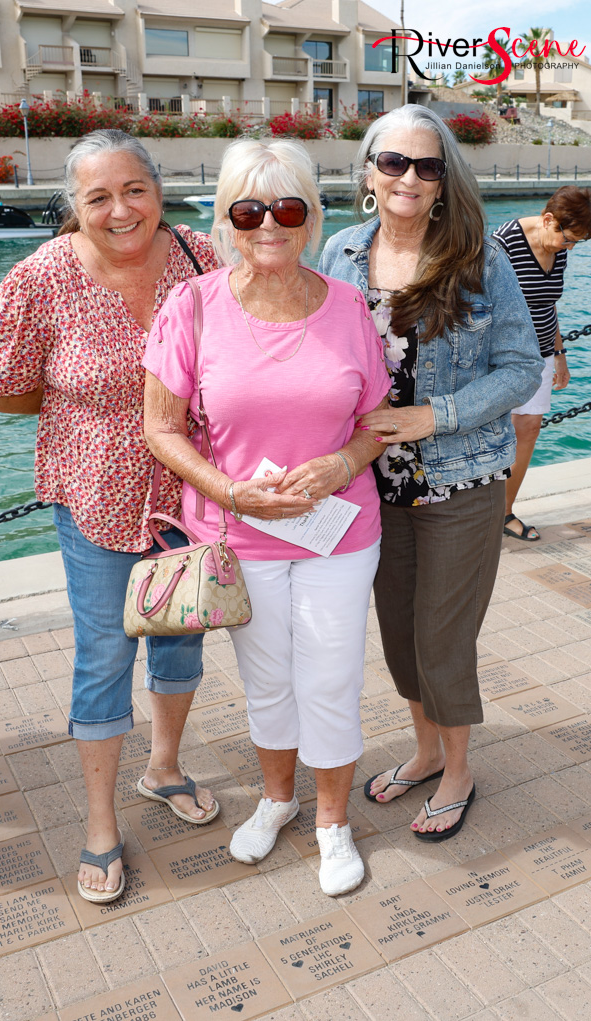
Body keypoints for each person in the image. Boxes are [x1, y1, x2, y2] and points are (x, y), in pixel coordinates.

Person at [0, 129, 219, 905]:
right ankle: (101, 821)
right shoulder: (39, 278)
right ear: (73, 206)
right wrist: (86, 406)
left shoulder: (199, 255)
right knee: (104, 654)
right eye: (97, 196)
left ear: (157, 188)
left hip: (188, 494)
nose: (119, 210)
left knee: (180, 636)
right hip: (97, 497)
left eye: (133, 189)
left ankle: (163, 766)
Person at [144, 139, 391, 896]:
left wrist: (342, 465)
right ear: (224, 219)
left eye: (287, 208)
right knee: (267, 681)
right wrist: (228, 490)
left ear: (312, 217)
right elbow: (160, 427)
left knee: (329, 676)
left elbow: (376, 422)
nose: (268, 226)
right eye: (248, 210)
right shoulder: (190, 305)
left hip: (337, 532)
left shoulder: (349, 304)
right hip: (239, 534)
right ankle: (278, 799)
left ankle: (329, 821)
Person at [319, 105, 542, 841]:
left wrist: (433, 415)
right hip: (367, 484)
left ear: (444, 181)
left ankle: (456, 768)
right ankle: (421, 748)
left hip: (459, 480)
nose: (408, 178)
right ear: (368, 173)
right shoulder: (341, 253)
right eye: (393, 163)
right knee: (397, 632)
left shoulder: (479, 257)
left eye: (426, 166)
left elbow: (518, 368)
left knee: (443, 636)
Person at [493, 186, 591, 541]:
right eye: (568, 239)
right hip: (501, 359)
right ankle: (476, 516)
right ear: (549, 220)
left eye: (575, 243)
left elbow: (548, 304)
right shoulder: (503, 243)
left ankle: (504, 513)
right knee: (491, 435)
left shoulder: (559, 248)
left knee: (529, 430)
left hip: (539, 355)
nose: (568, 248)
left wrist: (559, 354)